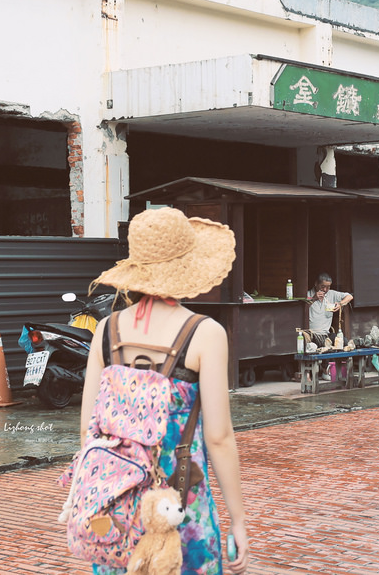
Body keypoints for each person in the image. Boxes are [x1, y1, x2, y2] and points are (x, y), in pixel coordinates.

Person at [80, 207, 249, 574]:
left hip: (118, 507)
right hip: (180, 503)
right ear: (188, 267)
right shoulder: (205, 333)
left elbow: (88, 432)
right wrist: (238, 519)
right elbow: (218, 437)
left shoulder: (106, 331)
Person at [304, 273, 353, 347]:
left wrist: (340, 304)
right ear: (316, 284)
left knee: (344, 342)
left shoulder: (331, 294)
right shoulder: (307, 295)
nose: (325, 290)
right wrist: (313, 299)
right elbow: (302, 308)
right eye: (322, 286)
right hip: (311, 335)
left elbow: (349, 296)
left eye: (328, 287)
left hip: (326, 335)